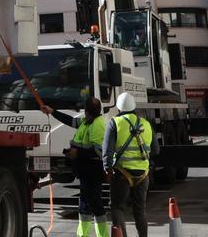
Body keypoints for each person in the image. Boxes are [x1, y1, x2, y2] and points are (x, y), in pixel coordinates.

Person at [41, 97, 109, 237]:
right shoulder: (87, 122)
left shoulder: (97, 125)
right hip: (85, 171)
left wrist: (77, 152)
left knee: (94, 203)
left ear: (87, 111)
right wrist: (52, 112)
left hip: (92, 171)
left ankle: (101, 235)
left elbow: (100, 152)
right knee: (86, 203)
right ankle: (84, 234)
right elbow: (70, 121)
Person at [104, 92, 153, 237]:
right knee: (140, 209)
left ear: (118, 108)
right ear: (134, 107)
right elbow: (155, 149)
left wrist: (107, 169)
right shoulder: (145, 124)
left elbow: (107, 150)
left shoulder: (115, 123)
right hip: (143, 174)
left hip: (122, 174)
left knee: (117, 207)